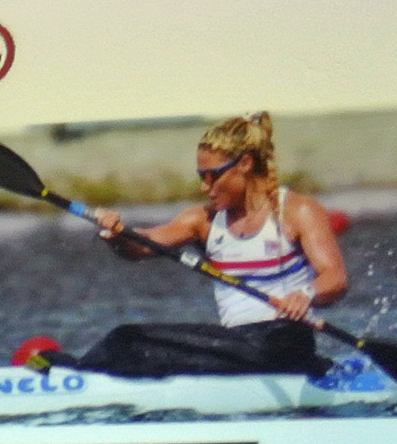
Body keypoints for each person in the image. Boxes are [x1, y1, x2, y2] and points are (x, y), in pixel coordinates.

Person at [78, 111, 349, 377]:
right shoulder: (203, 220)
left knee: (127, 341)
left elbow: (335, 278)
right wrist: (117, 235)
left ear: (244, 164)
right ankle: (75, 371)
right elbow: (144, 244)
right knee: (126, 339)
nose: (205, 187)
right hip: (238, 344)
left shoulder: (297, 211)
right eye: (201, 177)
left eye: (212, 176)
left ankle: (79, 375)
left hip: (285, 341)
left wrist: (306, 294)